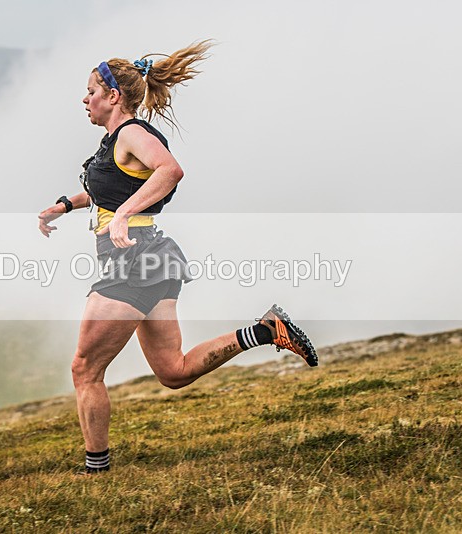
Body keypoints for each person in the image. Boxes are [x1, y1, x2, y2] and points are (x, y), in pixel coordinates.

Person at [38, 40, 317, 474]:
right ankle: (265, 331)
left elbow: (170, 170)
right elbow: (108, 190)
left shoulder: (132, 132)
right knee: (174, 371)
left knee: (84, 369)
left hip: (130, 261)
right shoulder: (116, 140)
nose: (84, 99)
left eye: (91, 91)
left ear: (113, 96)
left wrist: (124, 216)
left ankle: (96, 469)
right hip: (153, 259)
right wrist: (65, 204)